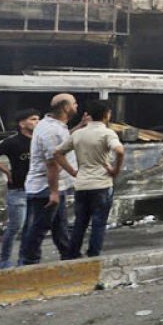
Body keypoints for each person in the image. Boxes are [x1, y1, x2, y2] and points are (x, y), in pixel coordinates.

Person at [54, 100, 124, 259]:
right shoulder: (107, 133)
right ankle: (93, 255)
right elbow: (119, 151)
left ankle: (72, 255)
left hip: (82, 184)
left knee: (80, 222)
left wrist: (72, 171)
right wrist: (115, 170)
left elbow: (57, 153)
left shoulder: (78, 134)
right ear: (107, 114)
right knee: (98, 224)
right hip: (101, 184)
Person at [20, 94, 78, 266]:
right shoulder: (51, 130)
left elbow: (63, 144)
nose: (77, 106)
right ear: (66, 107)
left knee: (60, 226)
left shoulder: (53, 125)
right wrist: (53, 193)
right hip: (46, 187)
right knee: (39, 228)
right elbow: (52, 163)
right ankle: (29, 262)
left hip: (54, 186)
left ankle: (69, 256)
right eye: (74, 103)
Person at [0, 109, 39, 270]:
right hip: (18, 189)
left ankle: (23, 259)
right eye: (33, 119)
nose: (36, 122)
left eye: (38, 119)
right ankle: (4, 260)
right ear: (22, 123)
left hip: (36, 189)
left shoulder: (39, 140)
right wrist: (5, 170)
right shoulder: (13, 142)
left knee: (30, 227)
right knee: (15, 226)